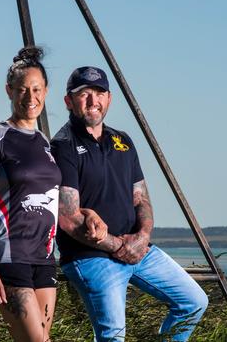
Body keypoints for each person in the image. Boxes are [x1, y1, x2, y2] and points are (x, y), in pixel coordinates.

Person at [51, 66, 209, 341]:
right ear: (68, 101)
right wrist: (119, 246)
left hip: (138, 249)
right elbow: (68, 218)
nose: (93, 101)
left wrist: (142, 238)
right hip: (91, 256)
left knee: (194, 302)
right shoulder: (62, 146)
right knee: (114, 336)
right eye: (84, 94)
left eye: (99, 93)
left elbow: (141, 198)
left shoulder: (122, 141)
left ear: (109, 99)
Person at [0, 46, 60, 342]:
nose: (30, 98)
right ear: (9, 91)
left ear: (46, 91)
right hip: (10, 257)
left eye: (36, 89)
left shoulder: (44, 142)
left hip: (44, 258)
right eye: (22, 89)